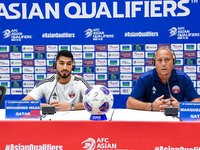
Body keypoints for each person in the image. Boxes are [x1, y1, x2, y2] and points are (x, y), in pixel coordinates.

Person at [126, 48, 200, 111]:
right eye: (160, 60)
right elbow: (129, 103)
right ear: (154, 63)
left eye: (167, 60)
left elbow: (197, 103)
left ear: (173, 62)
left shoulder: (183, 78)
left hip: (176, 121)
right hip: (151, 121)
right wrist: (152, 106)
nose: (163, 64)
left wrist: (181, 106)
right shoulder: (145, 78)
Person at [23, 50, 90, 111]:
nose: (65, 67)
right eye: (61, 63)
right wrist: (50, 107)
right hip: (52, 122)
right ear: (55, 65)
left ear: (73, 66)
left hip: (75, 123)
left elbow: (93, 104)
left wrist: (71, 106)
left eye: (69, 64)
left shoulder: (80, 82)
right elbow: (24, 103)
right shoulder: (46, 83)